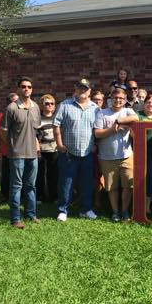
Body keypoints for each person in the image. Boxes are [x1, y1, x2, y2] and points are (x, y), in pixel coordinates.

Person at [53, 78, 101, 221]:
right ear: (75, 89)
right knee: (66, 182)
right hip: (68, 152)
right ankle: (63, 210)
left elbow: (97, 128)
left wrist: (96, 144)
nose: (82, 91)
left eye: (85, 88)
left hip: (87, 153)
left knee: (87, 183)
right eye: (80, 88)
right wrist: (59, 144)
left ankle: (85, 209)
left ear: (89, 91)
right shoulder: (65, 105)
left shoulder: (95, 108)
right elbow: (56, 126)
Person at [94, 87, 139, 222]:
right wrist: (113, 130)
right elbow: (97, 133)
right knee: (111, 187)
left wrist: (119, 121)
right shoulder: (102, 113)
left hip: (126, 155)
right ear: (110, 99)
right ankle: (115, 212)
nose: (118, 100)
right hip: (107, 157)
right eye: (115, 98)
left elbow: (136, 117)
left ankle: (124, 211)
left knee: (128, 186)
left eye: (121, 98)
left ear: (125, 100)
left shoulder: (127, 111)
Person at [2, 77, 42, 228]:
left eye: (29, 87)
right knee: (16, 186)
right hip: (17, 154)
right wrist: (13, 146)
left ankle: (31, 214)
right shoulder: (11, 108)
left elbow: (36, 131)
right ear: (19, 89)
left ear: (32, 89)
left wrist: (37, 148)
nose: (26, 89)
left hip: (32, 154)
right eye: (23, 86)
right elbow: (4, 132)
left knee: (31, 185)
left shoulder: (36, 107)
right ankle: (15, 218)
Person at [0, 92, 19, 198]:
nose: (17, 103)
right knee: (7, 173)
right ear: (9, 103)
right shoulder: (2, 116)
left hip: (20, 150)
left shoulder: (23, 113)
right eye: (14, 101)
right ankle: (6, 194)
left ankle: (19, 195)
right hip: (7, 150)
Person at [35, 94, 59, 204]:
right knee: (40, 174)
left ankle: (54, 196)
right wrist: (37, 150)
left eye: (51, 103)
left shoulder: (57, 118)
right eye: (47, 103)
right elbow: (35, 135)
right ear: (42, 105)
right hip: (41, 150)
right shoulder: (37, 119)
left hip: (55, 150)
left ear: (54, 106)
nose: (49, 105)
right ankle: (40, 196)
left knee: (53, 174)